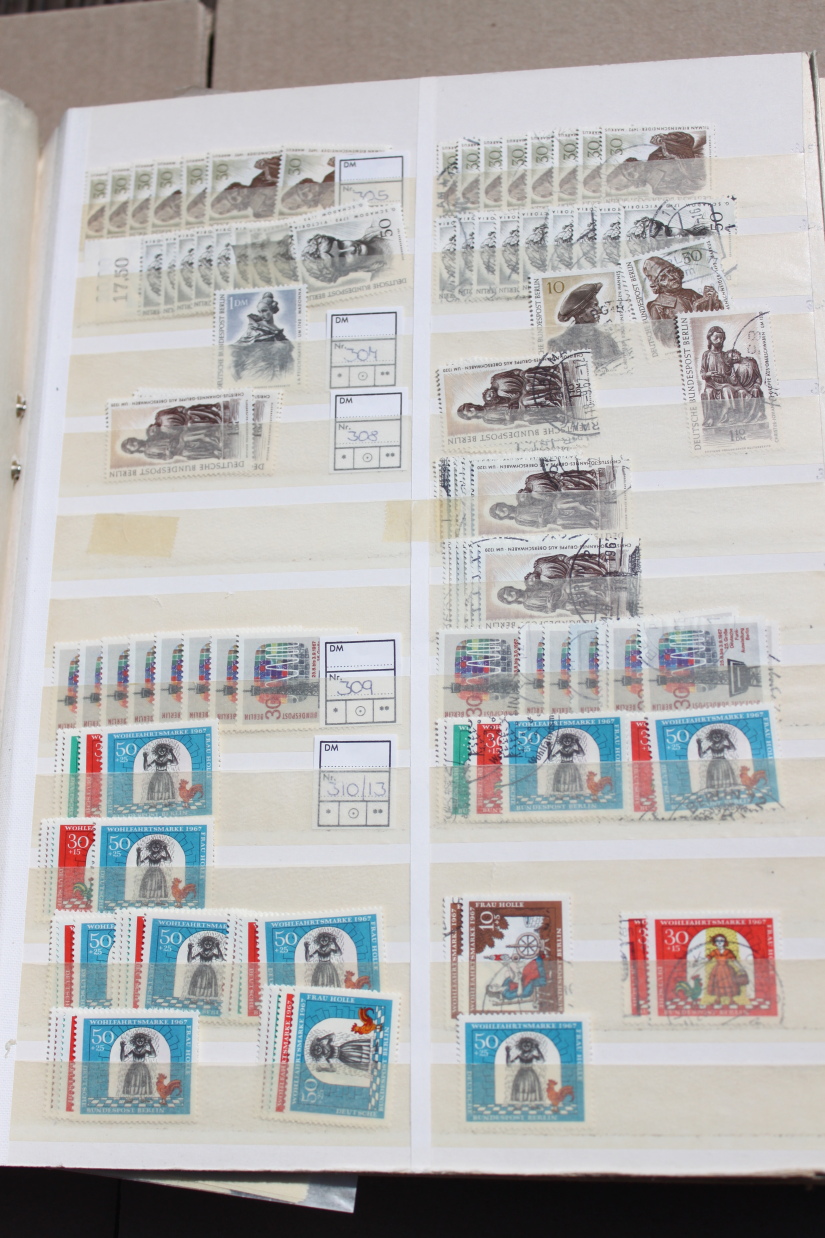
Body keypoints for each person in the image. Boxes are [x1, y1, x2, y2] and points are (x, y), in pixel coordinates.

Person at [120, 403, 225, 463]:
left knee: (185, 436)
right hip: (178, 450)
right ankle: (214, 452)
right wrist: (169, 451)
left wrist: (159, 430)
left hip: (178, 439)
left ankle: (212, 432)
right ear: (133, 451)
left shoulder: (150, 437)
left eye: (132, 441)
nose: (134, 443)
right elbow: (166, 458)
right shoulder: (148, 454)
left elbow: (166, 435)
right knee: (187, 453)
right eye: (131, 445)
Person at [642, 255, 724, 320]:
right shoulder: (657, 307)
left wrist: (713, 301)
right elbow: (664, 336)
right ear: (657, 285)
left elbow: (715, 315)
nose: (671, 277)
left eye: (672, 271)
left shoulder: (690, 293)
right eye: (663, 278)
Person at [300, 228, 392, 284]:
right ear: (344, 271)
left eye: (341, 245)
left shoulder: (377, 227)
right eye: (342, 258)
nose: (351, 249)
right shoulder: (383, 279)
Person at [210, 156, 281, 219]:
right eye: (234, 198)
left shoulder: (255, 182)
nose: (237, 191)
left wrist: (269, 165)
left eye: (232, 191)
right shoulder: (261, 210)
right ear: (240, 205)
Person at [535, 730, 586, 794]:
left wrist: (578, 743)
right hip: (562, 767)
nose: (567, 742)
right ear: (562, 741)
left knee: (572, 780)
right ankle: (561, 795)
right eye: (565, 741)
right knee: (561, 780)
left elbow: (582, 754)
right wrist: (549, 747)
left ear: (571, 742)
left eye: (569, 741)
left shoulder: (572, 750)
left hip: (571, 767)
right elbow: (550, 759)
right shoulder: (560, 750)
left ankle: (573, 794)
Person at [705, 932, 749, 1005]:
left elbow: (734, 960)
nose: (719, 942)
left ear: (725, 942)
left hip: (727, 970)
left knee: (730, 983)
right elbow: (708, 958)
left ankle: (731, 1000)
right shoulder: (714, 951)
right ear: (715, 942)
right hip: (717, 970)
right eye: (717, 941)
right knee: (718, 983)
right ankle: (718, 999)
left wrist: (741, 967)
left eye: (721, 940)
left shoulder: (728, 951)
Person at [308, 1031, 372, 1074]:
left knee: (360, 1048)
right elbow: (333, 1069)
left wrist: (321, 1039)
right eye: (316, 1052)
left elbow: (332, 1035)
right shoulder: (327, 1058)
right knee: (358, 1059)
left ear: (319, 1045)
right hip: (345, 1058)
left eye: (316, 1048)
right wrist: (323, 1069)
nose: (317, 1050)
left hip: (345, 1048)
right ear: (318, 1055)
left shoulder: (327, 1044)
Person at [696, 726, 738, 792]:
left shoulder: (723, 745)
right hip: (714, 763)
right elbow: (701, 755)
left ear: (721, 737)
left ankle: (727, 791)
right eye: (714, 736)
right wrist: (699, 745)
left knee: (725, 776)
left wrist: (728, 738)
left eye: (718, 736)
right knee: (715, 777)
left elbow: (733, 748)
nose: (717, 738)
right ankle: (716, 792)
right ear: (711, 737)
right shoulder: (711, 746)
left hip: (723, 763)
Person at [504, 1036, 544, 1102]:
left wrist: (537, 1048)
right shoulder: (519, 1056)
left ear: (531, 1046)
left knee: (531, 1088)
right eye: (524, 1045)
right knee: (520, 1088)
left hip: (531, 1074)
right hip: (521, 1074)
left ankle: (531, 1103)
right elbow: (509, 1064)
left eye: (528, 1045)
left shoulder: (532, 1055)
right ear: (521, 1046)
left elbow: (542, 1060)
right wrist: (508, 1053)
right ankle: (520, 1103)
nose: (526, 1047)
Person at [186, 934, 225, 999]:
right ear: (203, 944)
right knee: (198, 984)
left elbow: (221, 959)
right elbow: (189, 960)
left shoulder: (212, 953)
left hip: (209, 971)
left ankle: (207, 999)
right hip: (200, 970)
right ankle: (195, 998)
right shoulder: (201, 953)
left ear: (212, 945)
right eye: (206, 943)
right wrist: (190, 950)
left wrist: (218, 947)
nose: (208, 945)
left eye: (210, 944)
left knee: (208, 985)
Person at [120, 1030, 156, 1097]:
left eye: (142, 1040)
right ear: (134, 1041)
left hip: (143, 1068)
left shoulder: (145, 1050)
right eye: (138, 1040)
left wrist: (150, 1043)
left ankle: (142, 1098)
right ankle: (130, 1098)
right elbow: (122, 1059)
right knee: (132, 1082)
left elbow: (153, 1055)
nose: (140, 1042)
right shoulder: (133, 1050)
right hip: (134, 1068)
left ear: (144, 1042)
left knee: (143, 1082)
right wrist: (122, 1048)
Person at [135, 836, 172, 901]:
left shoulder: (160, 856)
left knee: (158, 886)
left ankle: (158, 901)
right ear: (150, 847)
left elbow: (169, 860)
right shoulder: (149, 856)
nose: (155, 848)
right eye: (154, 846)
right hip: (150, 872)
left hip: (158, 872)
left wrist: (166, 850)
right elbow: (139, 864)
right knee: (148, 885)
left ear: (160, 848)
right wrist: (138, 853)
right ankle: (146, 901)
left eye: (157, 846)